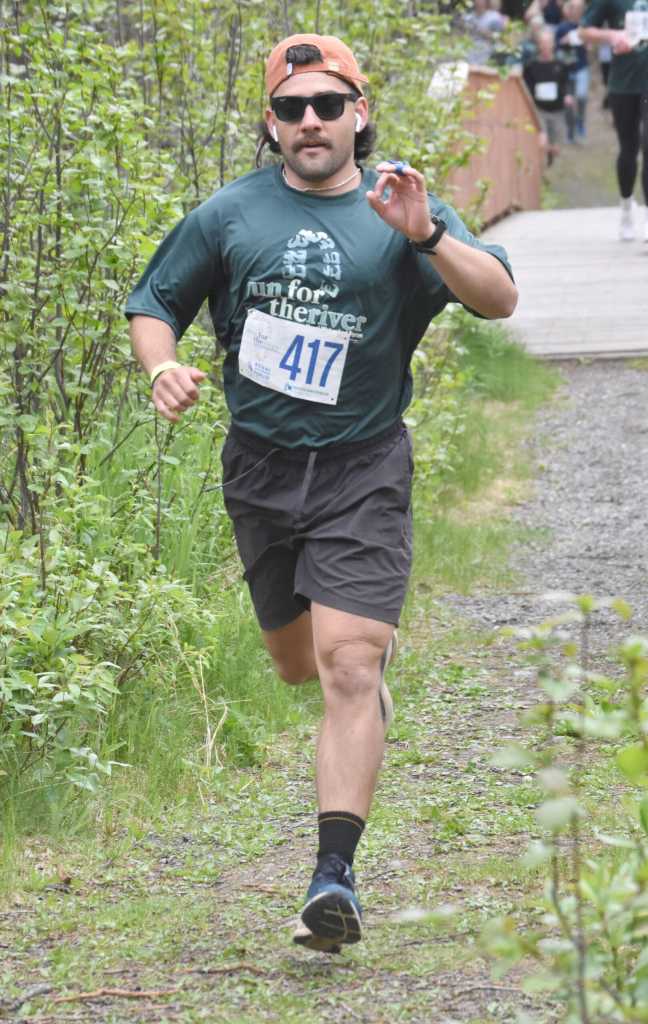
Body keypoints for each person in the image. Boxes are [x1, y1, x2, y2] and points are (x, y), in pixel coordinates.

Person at [125, 33, 517, 954]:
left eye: (328, 106)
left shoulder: (403, 206)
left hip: (363, 464)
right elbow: (154, 303)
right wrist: (165, 366)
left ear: (360, 115)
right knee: (301, 665)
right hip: (260, 468)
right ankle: (358, 680)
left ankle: (331, 880)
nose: (311, 122)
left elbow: (498, 299)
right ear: (271, 123)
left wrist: (425, 235)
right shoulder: (229, 215)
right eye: (292, 108)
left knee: (348, 665)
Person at [581, 0, 648, 240]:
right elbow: (584, 30)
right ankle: (627, 207)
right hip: (624, 84)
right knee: (628, 148)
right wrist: (612, 35)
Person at [524, 26, 576, 164]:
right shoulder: (531, 66)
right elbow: (527, 87)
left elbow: (566, 84)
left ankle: (550, 160)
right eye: (543, 43)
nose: (546, 46)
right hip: (539, 110)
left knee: (555, 147)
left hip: (557, 111)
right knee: (542, 141)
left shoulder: (560, 65)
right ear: (539, 45)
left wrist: (568, 95)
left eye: (548, 42)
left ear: (553, 44)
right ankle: (542, 168)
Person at [556, 0, 590, 140]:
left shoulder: (585, 26)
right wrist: (565, 41)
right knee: (568, 102)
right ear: (569, 10)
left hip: (582, 67)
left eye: (579, 9)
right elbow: (555, 46)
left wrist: (587, 41)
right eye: (574, 8)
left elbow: (590, 45)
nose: (577, 11)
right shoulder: (562, 27)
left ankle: (580, 122)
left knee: (581, 97)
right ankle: (570, 130)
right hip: (567, 70)